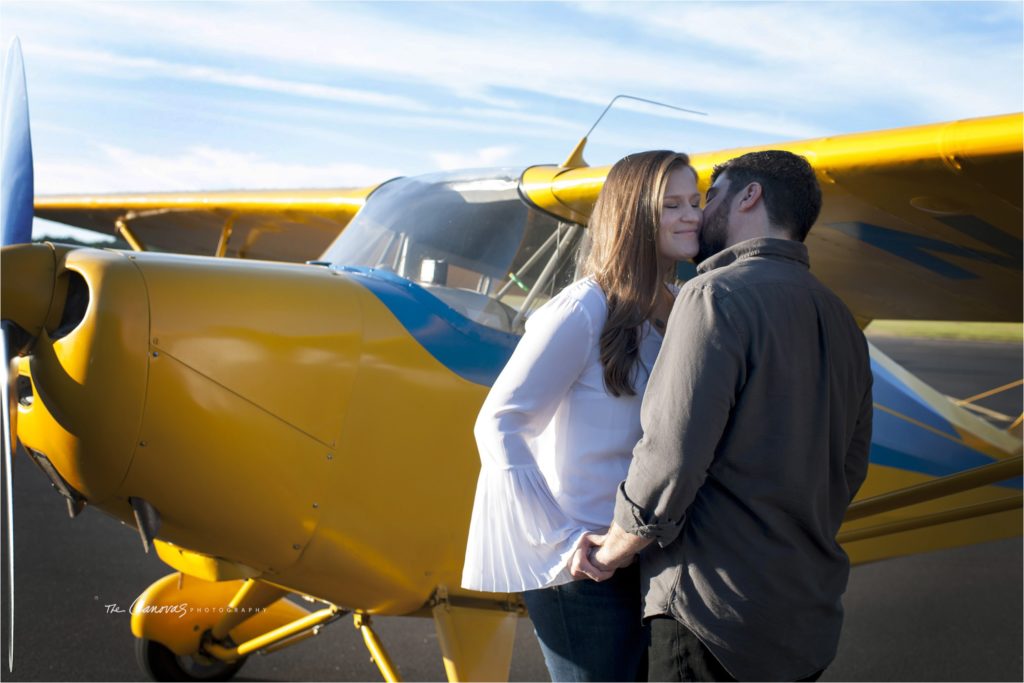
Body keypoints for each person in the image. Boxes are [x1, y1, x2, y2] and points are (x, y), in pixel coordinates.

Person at [573, 150, 873, 682]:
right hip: (806, 617)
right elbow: (849, 466)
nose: (698, 213)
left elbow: (671, 453)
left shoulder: (712, 294)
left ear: (749, 196)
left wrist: (616, 546)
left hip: (712, 613)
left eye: (710, 196)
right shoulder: (841, 316)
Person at [461, 150, 702, 682]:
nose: (692, 215)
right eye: (672, 205)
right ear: (634, 214)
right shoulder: (582, 308)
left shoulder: (683, 305)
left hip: (647, 557)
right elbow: (498, 422)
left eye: (696, 201)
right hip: (585, 571)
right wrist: (564, 539)